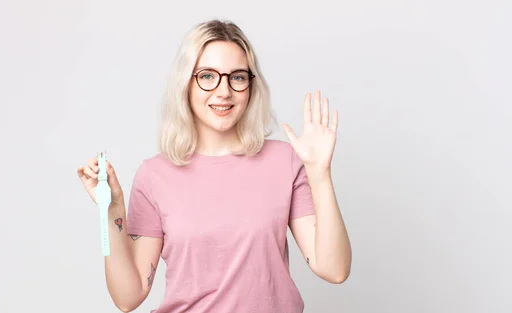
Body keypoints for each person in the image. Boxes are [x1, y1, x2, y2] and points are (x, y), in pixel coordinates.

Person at [77, 19, 351, 313]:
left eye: (237, 77)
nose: (224, 91)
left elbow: (333, 270)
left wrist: (320, 173)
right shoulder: (155, 175)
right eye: (208, 76)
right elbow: (128, 298)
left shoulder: (285, 161)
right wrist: (112, 211)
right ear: (187, 83)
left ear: (250, 85)